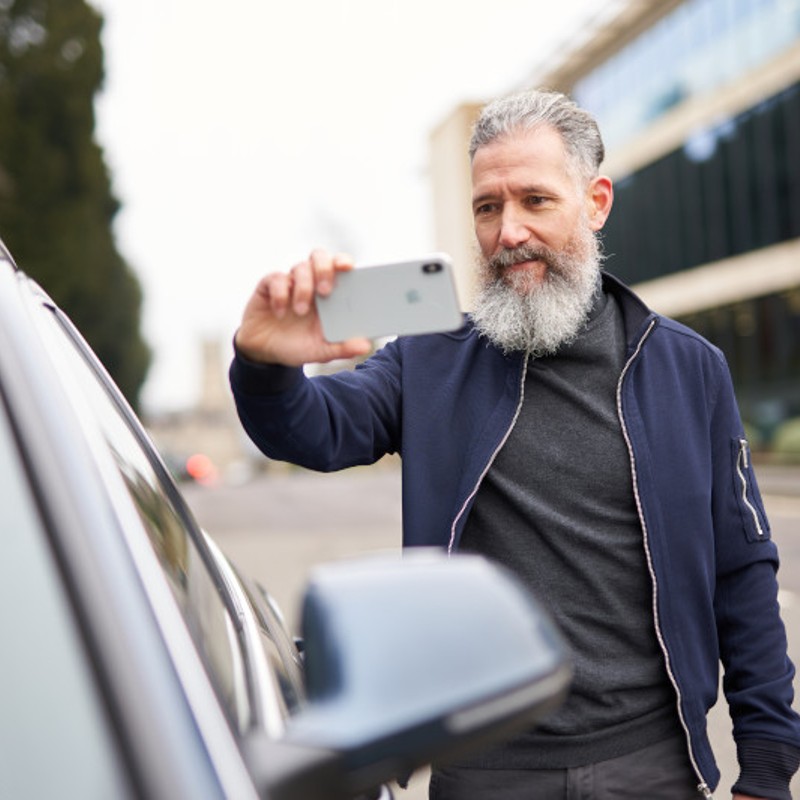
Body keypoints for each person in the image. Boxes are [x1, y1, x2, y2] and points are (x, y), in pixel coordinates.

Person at [229, 89, 800, 800]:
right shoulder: (428, 361)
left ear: (595, 203)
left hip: (653, 764)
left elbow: (743, 572)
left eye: (535, 200)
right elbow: (312, 429)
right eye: (488, 207)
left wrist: (768, 761)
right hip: (485, 767)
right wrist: (267, 366)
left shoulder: (689, 369)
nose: (509, 232)